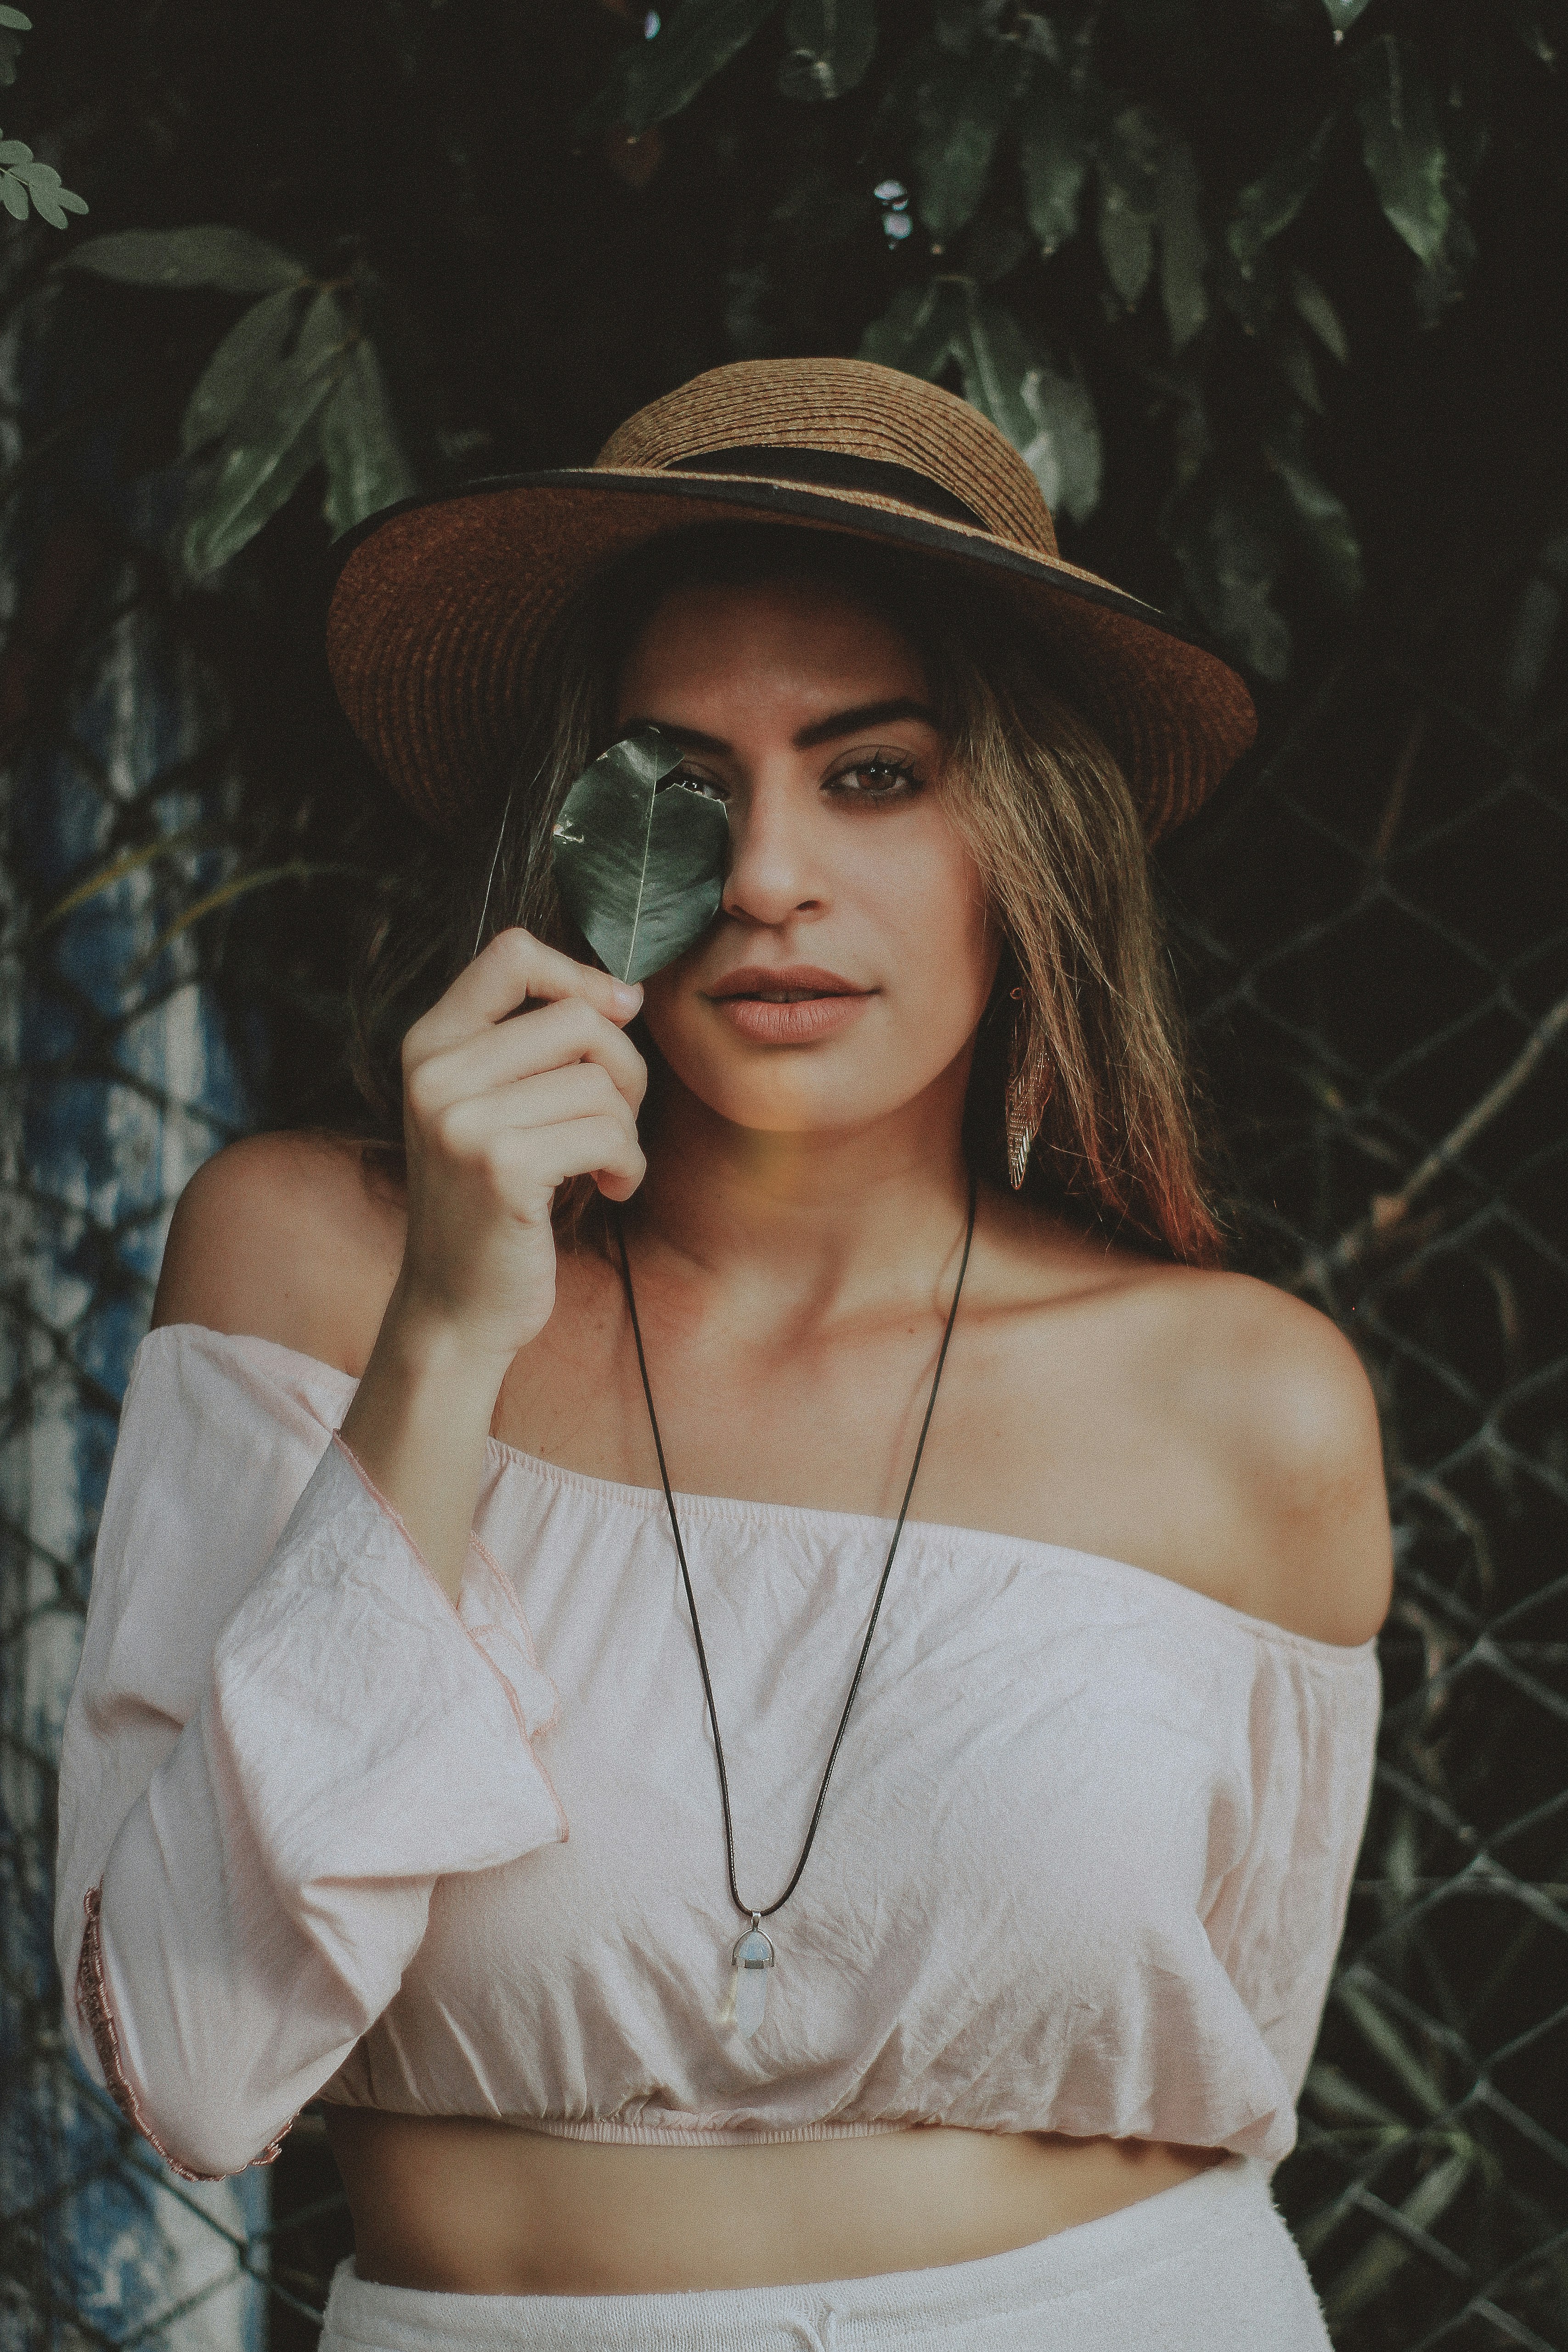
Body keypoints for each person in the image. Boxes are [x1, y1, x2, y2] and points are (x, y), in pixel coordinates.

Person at [54, 358, 1390, 2351]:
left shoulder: (1237, 1403)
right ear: (569, 840)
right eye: (678, 781)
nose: (767, 874)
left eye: (872, 774)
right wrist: (446, 1330)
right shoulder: (318, 1268)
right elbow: (187, 2058)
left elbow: (1223, 2071)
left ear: (1015, 842)